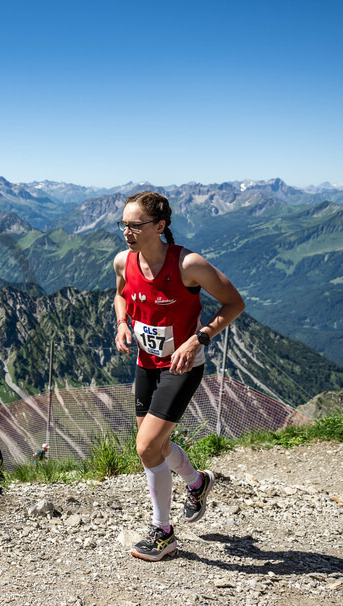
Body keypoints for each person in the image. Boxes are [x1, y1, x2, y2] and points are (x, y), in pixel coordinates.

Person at [113, 191, 244, 561]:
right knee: (153, 444)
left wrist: (196, 340)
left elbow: (234, 303)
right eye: (124, 224)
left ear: (160, 226)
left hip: (182, 366)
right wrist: (122, 323)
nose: (127, 232)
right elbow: (121, 294)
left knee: (145, 447)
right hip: (146, 363)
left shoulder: (189, 265)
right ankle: (198, 482)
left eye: (135, 225)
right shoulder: (124, 261)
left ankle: (163, 532)